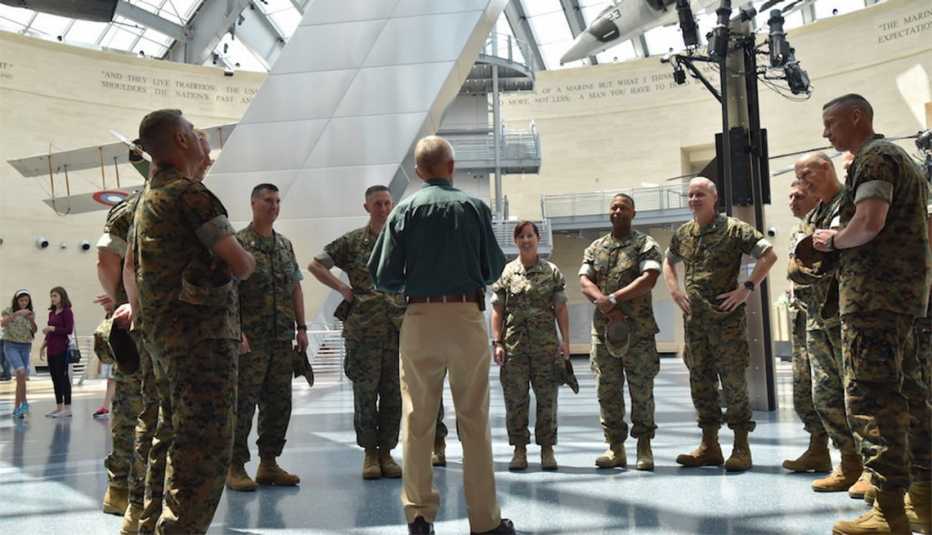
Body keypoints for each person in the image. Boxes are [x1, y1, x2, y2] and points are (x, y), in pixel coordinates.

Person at [119, 108, 255, 534]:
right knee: (204, 449)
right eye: (196, 134)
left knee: (171, 438)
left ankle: (148, 525)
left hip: (163, 341)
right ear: (179, 141)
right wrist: (246, 261)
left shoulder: (145, 199)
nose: (203, 142)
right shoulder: (189, 194)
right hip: (201, 344)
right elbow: (241, 262)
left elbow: (130, 269)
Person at [369, 135, 514, 535]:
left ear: (418, 172)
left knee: (417, 419)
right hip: (466, 315)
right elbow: (493, 270)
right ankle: (485, 521)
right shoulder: (473, 208)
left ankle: (418, 516)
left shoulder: (403, 212)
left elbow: (382, 275)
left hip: (419, 317)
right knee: (474, 419)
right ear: (452, 167)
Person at [813, 94, 931, 534]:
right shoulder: (903, 160)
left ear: (857, 117)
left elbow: (868, 222)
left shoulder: (875, 157)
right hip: (900, 301)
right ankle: (923, 500)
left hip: (874, 302)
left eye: (832, 123)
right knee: (911, 396)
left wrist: (831, 240)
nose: (827, 133)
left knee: (871, 400)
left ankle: (889, 513)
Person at [663, 177, 777, 472]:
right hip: (695, 325)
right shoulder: (684, 233)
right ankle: (709, 446)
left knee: (734, 383)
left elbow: (769, 255)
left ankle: (741, 447)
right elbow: (668, 261)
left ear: (714, 198)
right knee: (700, 383)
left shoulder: (735, 229)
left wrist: (746, 288)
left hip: (726, 323)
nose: (694, 200)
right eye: (690, 195)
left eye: (700, 194)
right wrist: (674, 290)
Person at [308, 185, 405, 480]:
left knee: (393, 395)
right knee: (365, 394)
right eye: (378, 204)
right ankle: (369, 454)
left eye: (388, 203)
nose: (384, 209)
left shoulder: (403, 242)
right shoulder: (352, 242)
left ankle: (387, 452)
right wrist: (341, 288)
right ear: (367, 207)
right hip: (363, 330)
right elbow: (315, 264)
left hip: (397, 329)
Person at [790, 153, 866, 497]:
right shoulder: (817, 212)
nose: (802, 182)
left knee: (859, 393)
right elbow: (802, 259)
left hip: (846, 312)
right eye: (797, 177)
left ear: (825, 168)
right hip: (818, 316)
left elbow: (852, 249)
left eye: (806, 174)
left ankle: (871, 468)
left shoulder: (849, 202)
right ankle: (847, 462)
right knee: (825, 395)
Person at [226, 183, 307, 491]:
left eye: (277, 201)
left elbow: (296, 287)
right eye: (267, 201)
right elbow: (228, 292)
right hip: (249, 341)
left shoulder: (285, 245)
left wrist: (302, 328)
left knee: (278, 404)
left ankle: (269, 464)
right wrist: (238, 331)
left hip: (281, 339)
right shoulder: (238, 244)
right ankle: (234, 466)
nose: (274, 206)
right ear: (253, 204)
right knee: (243, 404)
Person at [579, 193, 664, 471]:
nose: (618, 211)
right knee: (607, 390)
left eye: (623, 207)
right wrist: (603, 303)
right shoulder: (596, 247)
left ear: (633, 213)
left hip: (638, 333)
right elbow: (584, 280)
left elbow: (648, 279)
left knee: (641, 389)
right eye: (614, 207)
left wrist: (613, 298)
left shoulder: (645, 244)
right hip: (604, 334)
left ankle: (644, 447)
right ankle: (615, 447)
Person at [490, 220, 570, 471]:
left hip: (546, 348)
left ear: (538, 239)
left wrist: (566, 341)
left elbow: (561, 308)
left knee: (547, 400)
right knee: (515, 401)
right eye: (521, 236)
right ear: (515, 241)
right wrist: (497, 342)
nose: (526, 240)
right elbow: (498, 311)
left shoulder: (552, 272)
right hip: (515, 349)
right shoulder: (506, 273)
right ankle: (519, 449)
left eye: (530, 236)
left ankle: (547, 450)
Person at [782, 178, 832, 474]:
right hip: (802, 318)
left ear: (815, 196)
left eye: (798, 196)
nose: (791, 201)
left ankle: (855, 460)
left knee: (832, 385)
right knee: (804, 386)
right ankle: (817, 448)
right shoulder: (796, 229)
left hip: (826, 317)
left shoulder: (825, 227)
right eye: (789, 196)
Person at [2, 289, 38, 418]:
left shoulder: (30, 312)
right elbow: (2, 323)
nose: (24, 303)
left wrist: (32, 320)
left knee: (21, 378)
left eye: (26, 301)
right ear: (17, 301)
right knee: (21, 372)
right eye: (21, 300)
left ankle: (18, 407)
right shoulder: (9, 310)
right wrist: (17, 314)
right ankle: (23, 403)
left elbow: (34, 329)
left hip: (25, 346)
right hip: (11, 345)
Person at [40, 286, 75, 418]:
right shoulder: (52, 313)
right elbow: (49, 333)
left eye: (55, 296)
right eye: (51, 296)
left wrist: (52, 328)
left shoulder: (67, 312)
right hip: (51, 350)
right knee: (55, 379)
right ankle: (59, 407)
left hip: (62, 349)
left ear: (62, 296)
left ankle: (68, 408)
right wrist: (43, 346)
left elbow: (68, 330)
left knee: (63, 378)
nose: (52, 298)